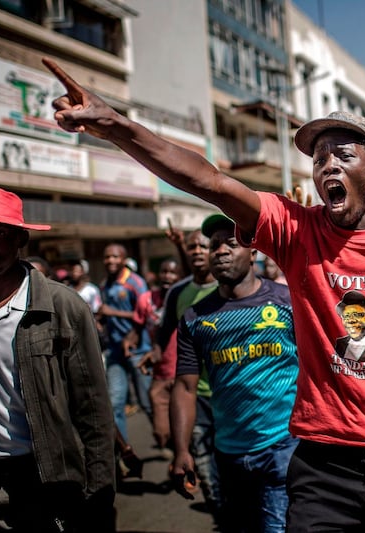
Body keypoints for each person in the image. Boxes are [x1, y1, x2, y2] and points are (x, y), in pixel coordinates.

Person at [44, 58, 365, 529]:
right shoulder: (296, 232)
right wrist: (116, 126)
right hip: (322, 464)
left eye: (343, 155)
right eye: (319, 160)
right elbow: (208, 181)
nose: (328, 166)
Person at [0, 188, 115, 532]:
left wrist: (99, 497)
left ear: (20, 240)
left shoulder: (64, 307)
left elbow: (93, 409)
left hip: (45, 480)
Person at [172, 213, 300, 532]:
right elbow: (185, 388)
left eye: (231, 243)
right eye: (213, 245)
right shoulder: (195, 318)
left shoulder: (288, 302)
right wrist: (181, 450)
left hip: (283, 447)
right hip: (228, 454)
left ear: (253, 251)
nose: (220, 251)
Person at [156, 227, 222, 519]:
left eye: (202, 246)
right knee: (209, 475)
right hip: (195, 395)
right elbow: (164, 332)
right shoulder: (178, 293)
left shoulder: (230, 288)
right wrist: (154, 353)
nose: (197, 252)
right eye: (192, 247)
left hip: (230, 396)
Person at [127, 257, 182, 453]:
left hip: (184, 376)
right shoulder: (146, 299)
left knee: (187, 433)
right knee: (161, 432)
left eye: (173, 272)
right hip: (159, 375)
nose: (167, 276)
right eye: (164, 271)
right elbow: (137, 326)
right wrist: (129, 342)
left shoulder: (186, 299)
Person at [100, 242, 151, 441]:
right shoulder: (105, 285)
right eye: (107, 257)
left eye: (115, 257)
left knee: (147, 402)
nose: (110, 261)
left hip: (138, 351)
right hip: (115, 352)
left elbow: (145, 314)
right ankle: (124, 453)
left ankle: (169, 443)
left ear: (124, 259)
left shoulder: (136, 282)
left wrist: (113, 312)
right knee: (115, 404)